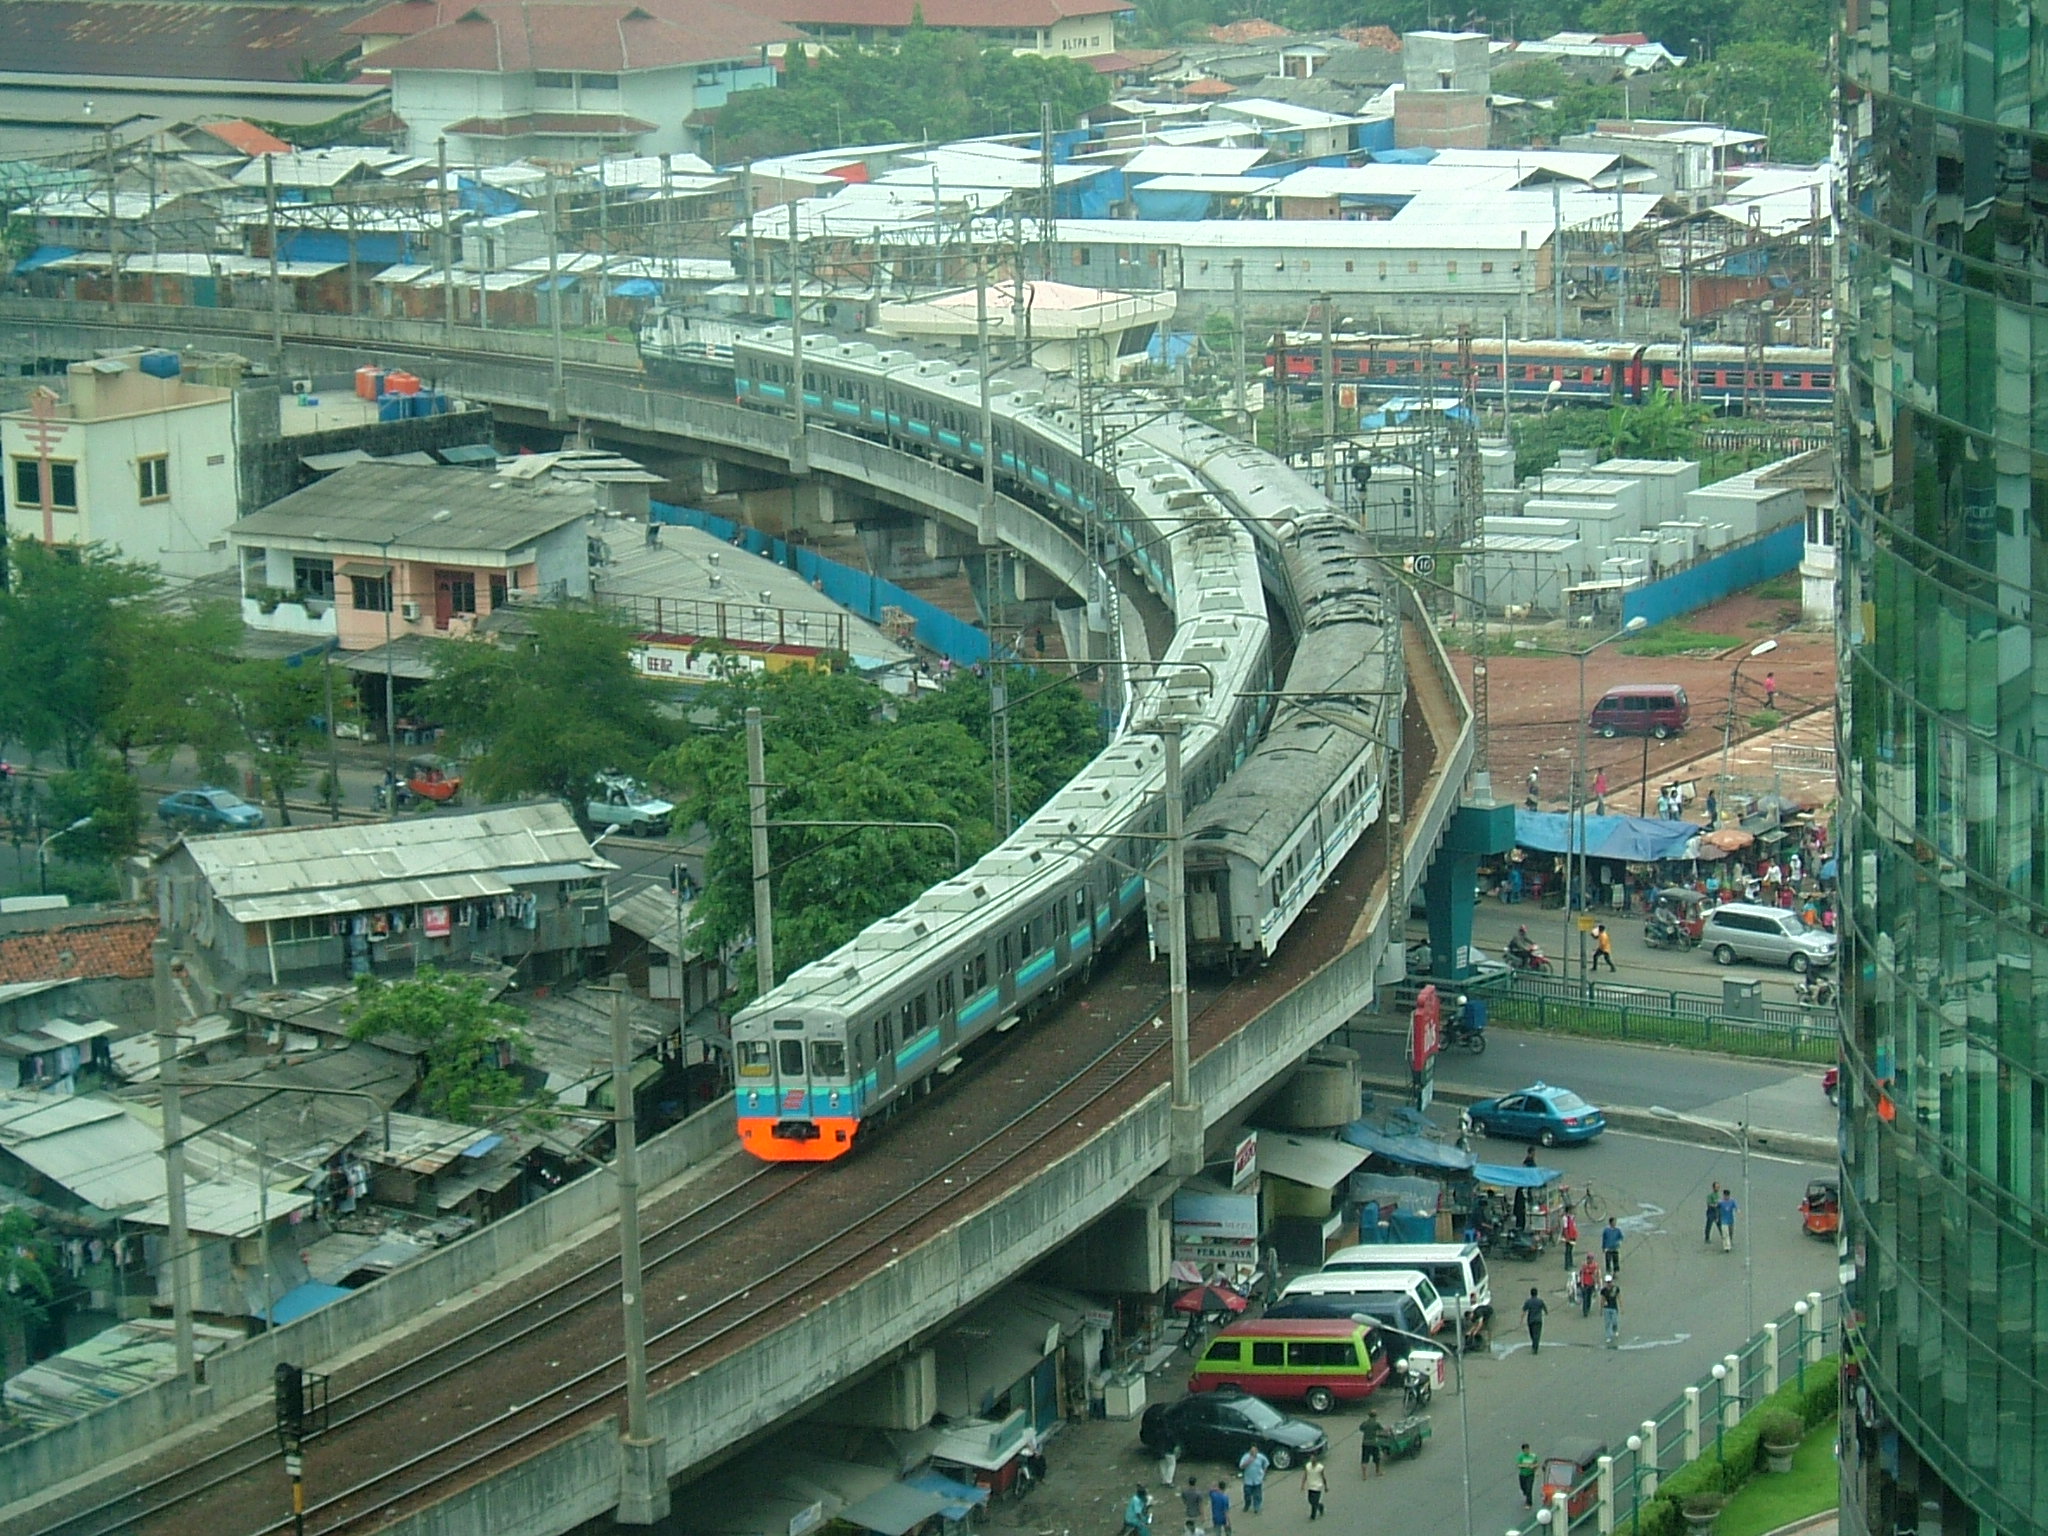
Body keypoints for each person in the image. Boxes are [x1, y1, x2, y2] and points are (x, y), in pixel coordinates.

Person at [1238, 1448, 1269, 1513]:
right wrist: (1248, 1461)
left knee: (1257, 1495)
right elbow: (1241, 1466)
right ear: (1249, 1452)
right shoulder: (1246, 1457)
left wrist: (1264, 1473)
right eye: (1252, 1452)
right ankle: (1247, 1504)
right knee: (1247, 1494)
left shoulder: (1261, 1457)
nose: (1253, 1453)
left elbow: (1266, 1463)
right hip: (1248, 1480)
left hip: (1258, 1480)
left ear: (1257, 1451)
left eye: (1255, 1451)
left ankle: (1257, 1507)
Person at [1300, 1454, 1327, 1521]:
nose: (1312, 1460)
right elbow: (1305, 1475)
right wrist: (1302, 1484)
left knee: (1314, 1502)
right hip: (1310, 1486)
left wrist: (1325, 1486)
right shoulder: (1308, 1466)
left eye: (1313, 1459)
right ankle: (1320, 1506)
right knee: (1310, 1500)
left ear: (1316, 1460)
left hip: (1318, 1487)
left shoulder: (1320, 1467)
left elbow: (1323, 1477)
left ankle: (1313, 1516)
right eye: (1311, 1459)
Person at [1522, 1285, 1548, 1353]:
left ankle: (1534, 1346)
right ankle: (1535, 1346)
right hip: (1539, 1320)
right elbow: (1545, 1309)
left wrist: (1521, 1320)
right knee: (1537, 1334)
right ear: (1537, 1293)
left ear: (1531, 1294)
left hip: (1531, 1321)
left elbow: (1524, 1311)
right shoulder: (1540, 1301)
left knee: (1532, 1334)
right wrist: (1546, 1313)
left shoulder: (1528, 1301)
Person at [1359, 1411, 1385, 1479]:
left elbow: (1361, 1428)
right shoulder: (1376, 1424)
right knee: (1377, 1458)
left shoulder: (1365, 1423)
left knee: (1364, 1459)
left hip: (1365, 1443)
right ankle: (1378, 1471)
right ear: (1375, 1416)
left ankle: (1364, 1475)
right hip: (1373, 1443)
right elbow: (1382, 1430)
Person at [1600, 1275, 1622, 1347]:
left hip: (1614, 1308)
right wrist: (1601, 1309)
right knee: (1607, 1322)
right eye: (1607, 1282)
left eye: (1610, 1282)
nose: (1609, 1283)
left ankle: (1615, 1329)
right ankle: (1608, 1336)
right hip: (1606, 1308)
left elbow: (1619, 1297)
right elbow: (1602, 1299)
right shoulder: (1604, 1290)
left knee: (1614, 1321)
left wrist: (1621, 1307)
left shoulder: (1616, 1289)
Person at [1561, 1206, 1579, 1273]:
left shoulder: (1571, 1217)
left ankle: (1571, 1263)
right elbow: (1565, 1228)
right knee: (1568, 1251)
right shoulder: (1565, 1218)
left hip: (1573, 1235)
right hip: (1569, 1236)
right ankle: (1567, 1265)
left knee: (1571, 1250)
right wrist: (1567, 1237)